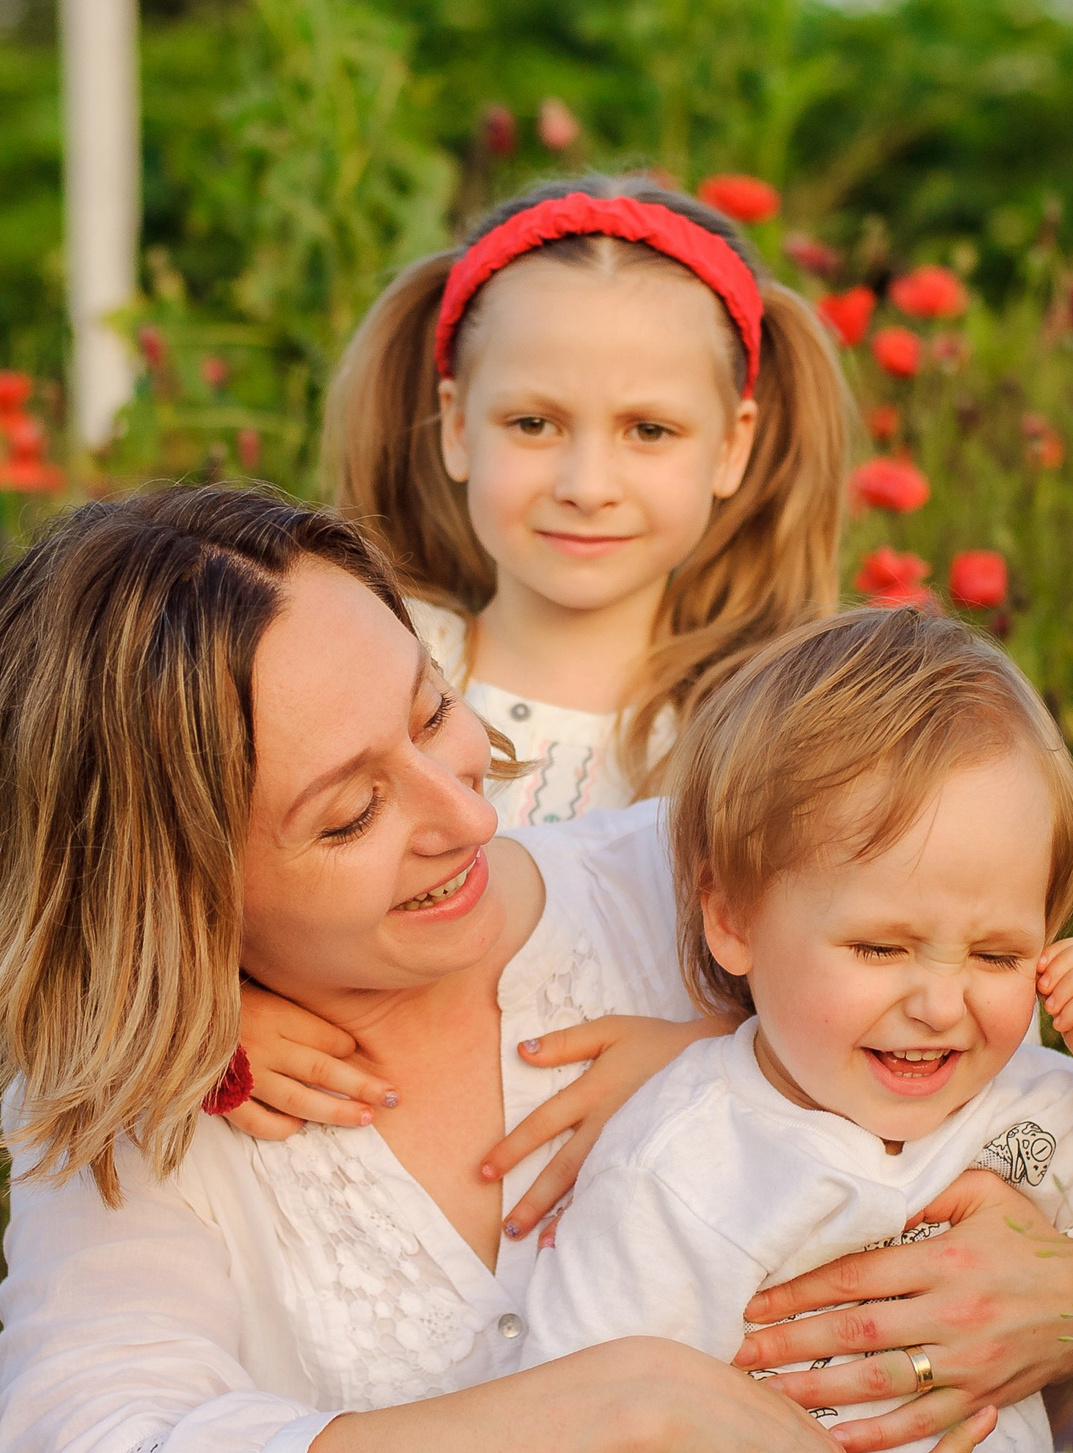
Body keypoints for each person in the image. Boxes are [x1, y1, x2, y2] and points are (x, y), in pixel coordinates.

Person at [0, 485, 1073, 1453]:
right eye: (349, 816)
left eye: (433, 707)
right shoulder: (162, 1112)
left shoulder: (726, 887)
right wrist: (622, 1410)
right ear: (178, 892)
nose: (462, 808)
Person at [237, 606, 1073, 1453]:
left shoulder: (1041, 1119)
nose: (938, 1003)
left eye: (996, 952)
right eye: (879, 946)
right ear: (732, 921)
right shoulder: (688, 1145)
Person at [233, 177, 852, 1231]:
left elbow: (892, 988)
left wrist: (705, 1055)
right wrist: (215, 1013)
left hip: (652, 1237)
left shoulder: (774, 734)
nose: (585, 481)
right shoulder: (362, 666)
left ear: (733, 446)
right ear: (455, 426)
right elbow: (183, 867)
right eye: (533, 422)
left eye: (649, 431)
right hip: (361, 1212)